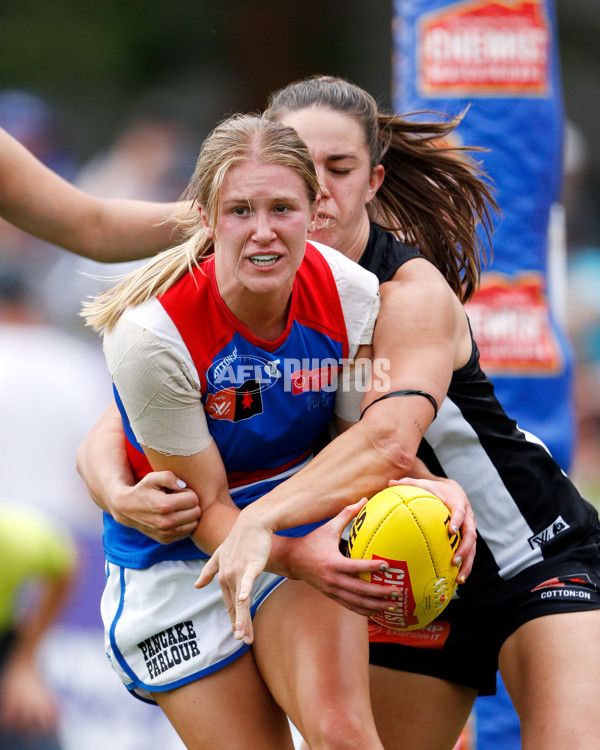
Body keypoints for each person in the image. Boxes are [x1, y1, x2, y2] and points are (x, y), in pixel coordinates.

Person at [191, 76, 600, 750]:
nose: (320, 187)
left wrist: (257, 521)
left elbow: (385, 442)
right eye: (301, 164)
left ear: (374, 180)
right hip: (401, 576)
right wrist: (117, 483)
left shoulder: (408, 291)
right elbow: (125, 412)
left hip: (533, 556)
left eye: (340, 168)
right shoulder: (242, 277)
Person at [80, 112, 414, 750]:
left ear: (316, 209)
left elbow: (350, 449)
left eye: (283, 207)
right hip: (180, 558)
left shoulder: (351, 293)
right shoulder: (151, 336)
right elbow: (202, 508)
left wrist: (434, 490)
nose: (263, 232)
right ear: (206, 218)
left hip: (297, 519)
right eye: (240, 211)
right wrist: (296, 557)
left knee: (345, 735)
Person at [0, 500, 78, 750]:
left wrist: (23, 662)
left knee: (31, 721)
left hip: (6, 643)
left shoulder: (17, 538)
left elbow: (66, 565)